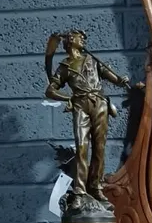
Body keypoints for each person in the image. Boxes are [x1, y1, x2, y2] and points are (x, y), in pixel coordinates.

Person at [44, 29, 133, 212]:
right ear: (70, 40)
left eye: (83, 38)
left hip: (99, 103)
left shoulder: (93, 60)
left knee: (99, 148)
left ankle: (96, 187)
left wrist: (120, 80)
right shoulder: (65, 66)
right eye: (79, 37)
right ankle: (79, 192)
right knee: (82, 148)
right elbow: (50, 90)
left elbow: (113, 78)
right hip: (80, 106)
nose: (83, 39)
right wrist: (66, 98)